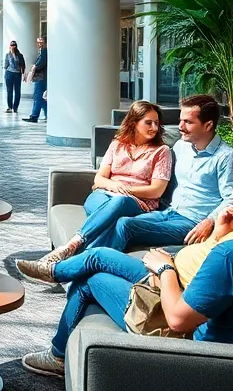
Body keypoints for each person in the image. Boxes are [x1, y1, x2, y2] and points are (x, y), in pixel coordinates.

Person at [21, 145, 233, 377]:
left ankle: (58, 355)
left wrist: (165, 270)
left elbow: (178, 320)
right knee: (101, 257)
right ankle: (55, 271)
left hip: (197, 352)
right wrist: (220, 235)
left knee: (90, 280)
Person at [22, 95, 233, 278]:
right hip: (168, 212)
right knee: (121, 221)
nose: (180, 127)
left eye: (188, 122)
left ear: (208, 125)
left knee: (125, 224)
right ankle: (78, 263)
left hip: (191, 222)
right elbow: (105, 177)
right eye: (180, 120)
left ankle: (63, 269)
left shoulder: (225, 157)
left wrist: (209, 221)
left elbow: (232, 198)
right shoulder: (181, 147)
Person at [17, 101, 171, 283]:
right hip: (104, 195)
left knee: (119, 202)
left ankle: (70, 247)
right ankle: (70, 269)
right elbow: (99, 179)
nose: (154, 127)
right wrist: (113, 186)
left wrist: (126, 190)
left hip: (136, 202)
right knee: (107, 209)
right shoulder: (117, 145)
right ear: (134, 122)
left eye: (156, 123)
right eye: (148, 122)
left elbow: (156, 190)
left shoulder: (161, 151)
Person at [22, 36, 47, 123]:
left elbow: (40, 64)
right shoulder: (42, 51)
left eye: (41, 42)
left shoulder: (44, 51)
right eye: (38, 42)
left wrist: (35, 67)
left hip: (41, 77)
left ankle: (34, 116)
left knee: (37, 96)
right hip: (41, 77)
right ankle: (47, 114)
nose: (39, 44)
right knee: (41, 98)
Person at [3, 40, 26, 114]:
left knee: (17, 91)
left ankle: (15, 107)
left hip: (17, 74)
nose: (12, 47)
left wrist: (23, 73)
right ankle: (9, 107)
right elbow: (6, 65)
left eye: (13, 45)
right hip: (9, 74)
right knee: (9, 91)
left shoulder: (19, 55)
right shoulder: (7, 55)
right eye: (11, 45)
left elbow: (23, 65)